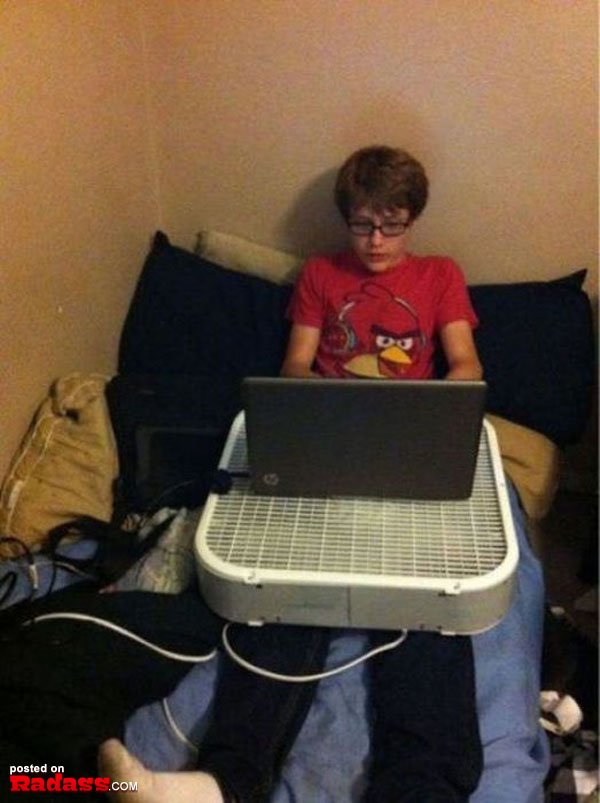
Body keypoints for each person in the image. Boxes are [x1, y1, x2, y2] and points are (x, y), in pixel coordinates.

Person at [99, 145, 484, 802]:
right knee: (283, 592)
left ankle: (419, 788)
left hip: (409, 440)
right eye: (363, 224)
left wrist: (435, 407)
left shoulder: (441, 274)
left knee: (432, 606)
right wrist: (317, 407)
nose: (377, 240)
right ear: (346, 220)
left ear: (413, 220)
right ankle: (223, 781)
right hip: (323, 436)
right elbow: (297, 364)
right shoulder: (319, 275)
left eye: (392, 224)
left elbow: (466, 364)